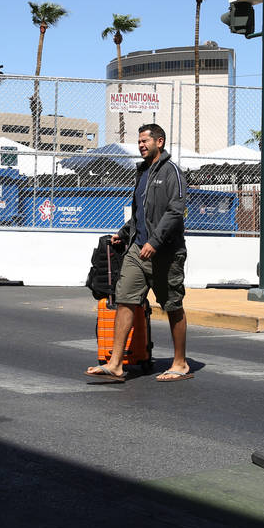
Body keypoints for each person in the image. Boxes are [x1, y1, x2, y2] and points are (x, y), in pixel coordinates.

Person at [86, 123, 191, 383]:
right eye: (140, 141)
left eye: (146, 141)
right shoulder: (142, 172)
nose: (141, 145)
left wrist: (155, 242)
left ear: (160, 142)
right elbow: (140, 215)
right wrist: (123, 234)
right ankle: (116, 364)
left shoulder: (172, 172)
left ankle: (180, 363)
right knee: (125, 299)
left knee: (172, 305)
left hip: (165, 252)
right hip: (138, 248)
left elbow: (175, 212)